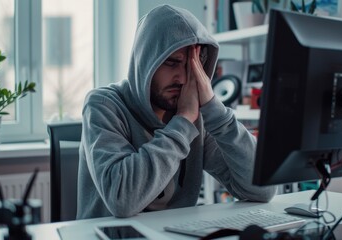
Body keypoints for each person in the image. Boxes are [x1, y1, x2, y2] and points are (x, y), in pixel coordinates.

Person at [76, 4, 277, 219]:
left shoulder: (196, 115)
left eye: (192, 67)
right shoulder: (103, 105)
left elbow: (262, 189)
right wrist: (182, 123)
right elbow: (121, 201)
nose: (182, 79)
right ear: (146, 61)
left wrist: (215, 109)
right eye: (172, 63)